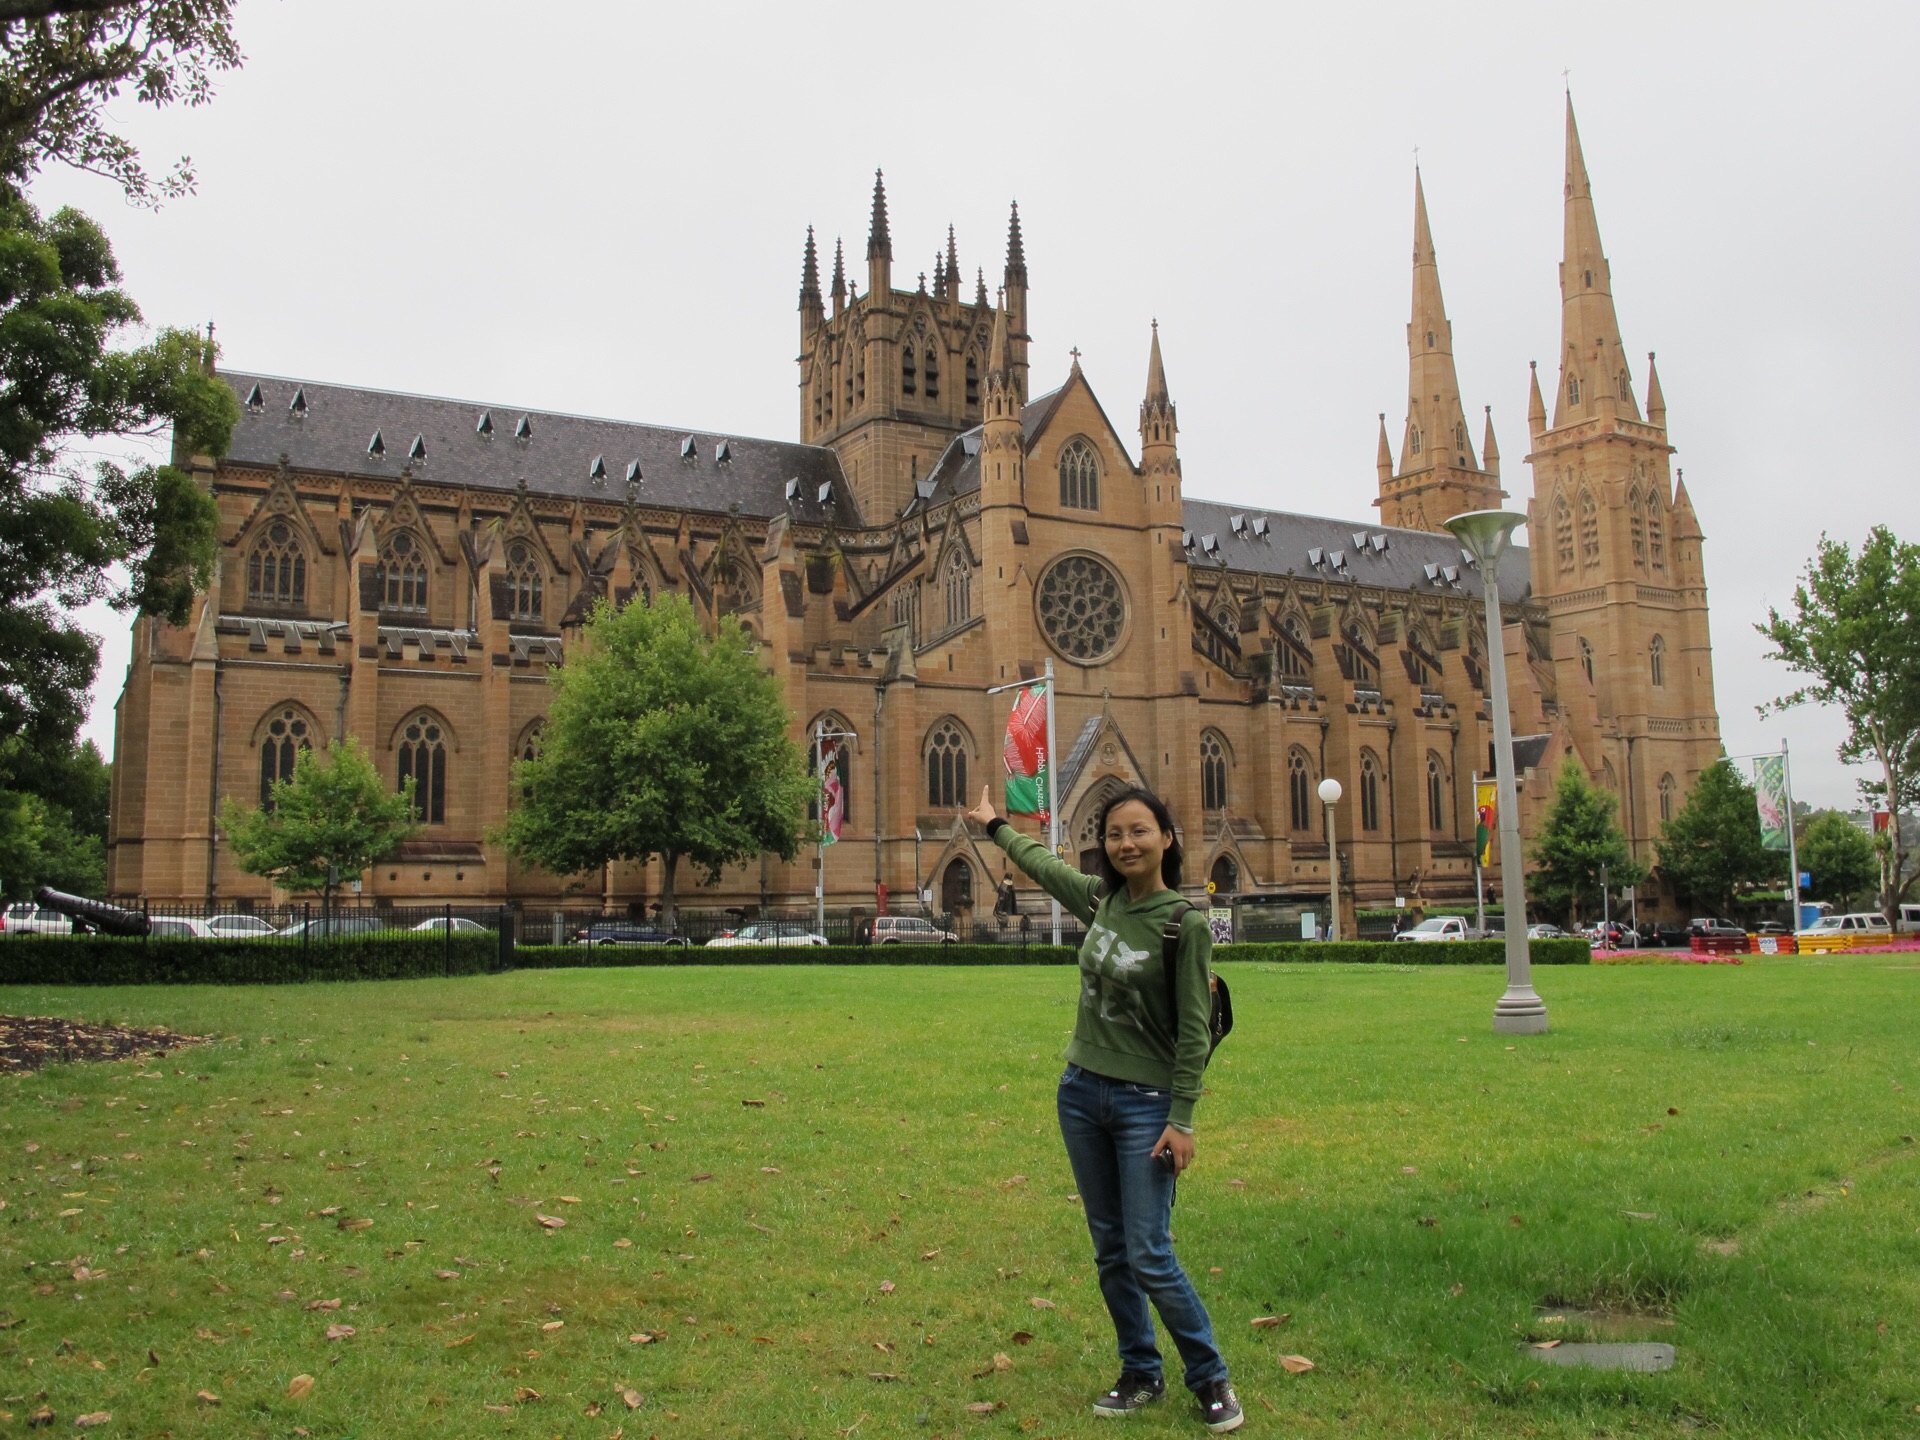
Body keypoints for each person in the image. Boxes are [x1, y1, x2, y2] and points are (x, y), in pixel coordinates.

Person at [964, 783, 1242, 1433]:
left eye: (1139, 830)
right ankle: (1140, 1371)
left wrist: (1183, 1119)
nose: (1125, 843)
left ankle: (1210, 1377)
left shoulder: (1184, 923)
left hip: (1147, 1105)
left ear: (1166, 838)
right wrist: (995, 826)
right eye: (1115, 833)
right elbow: (1044, 865)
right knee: (1112, 1250)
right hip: (1082, 1093)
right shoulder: (1101, 901)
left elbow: (1196, 1032)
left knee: (1148, 1251)